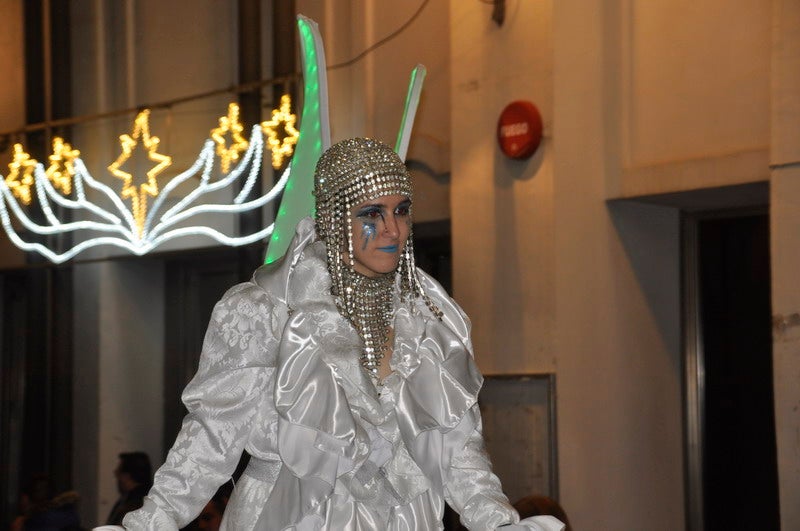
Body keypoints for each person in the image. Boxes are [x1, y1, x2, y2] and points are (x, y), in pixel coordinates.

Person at [111, 138, 563, 530]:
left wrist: (497, 521)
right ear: (332, 217)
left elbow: (457, 450)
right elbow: (212, 437)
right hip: (293, 516)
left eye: (401, 211)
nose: (392, 229)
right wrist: (152, 522)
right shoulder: (264, 310)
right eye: (372, 213)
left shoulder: (429, 316)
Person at [106, 452, 152, 525]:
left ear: (126, 476)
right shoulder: (151, 500)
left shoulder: (132, 506)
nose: (116, 476)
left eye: (118, 473)